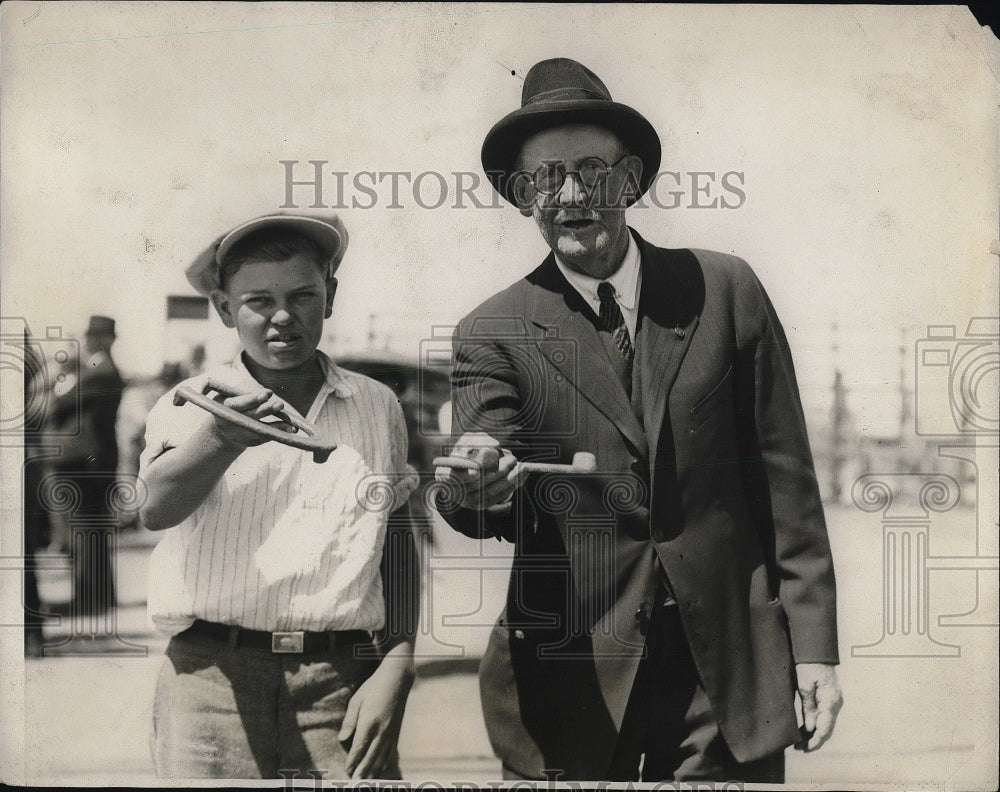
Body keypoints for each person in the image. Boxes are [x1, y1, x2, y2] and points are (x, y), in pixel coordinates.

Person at [435, 58, 843, 782]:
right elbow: (478, 471)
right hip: (572, 684)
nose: (569, 195)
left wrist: (813, 650)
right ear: (522, 196)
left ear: (628, 181)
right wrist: (479, 482)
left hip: (724, 679)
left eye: (590, 170)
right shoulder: (490, 330)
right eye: (543, 178)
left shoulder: (724, 290)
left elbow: (787, 485)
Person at [138, 213, 419, 779]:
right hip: (209, 680)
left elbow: (394, 536)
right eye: (258, 300)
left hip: (339, 681)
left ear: (331, 295)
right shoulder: (189, 400)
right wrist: (220, 438)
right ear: (223, 308)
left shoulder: (375, 403)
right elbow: (154, 508)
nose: (283, 317)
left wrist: (399, 661)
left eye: (303, 295)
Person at [46, 314, 125, 615]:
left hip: (86, 464)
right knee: (91, 533)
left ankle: (90, 601)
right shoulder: (98, 368)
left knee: (84, 533)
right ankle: (98, 599)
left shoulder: (99, 370)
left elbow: (59, 404)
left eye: (92, 337)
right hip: (94, 462)